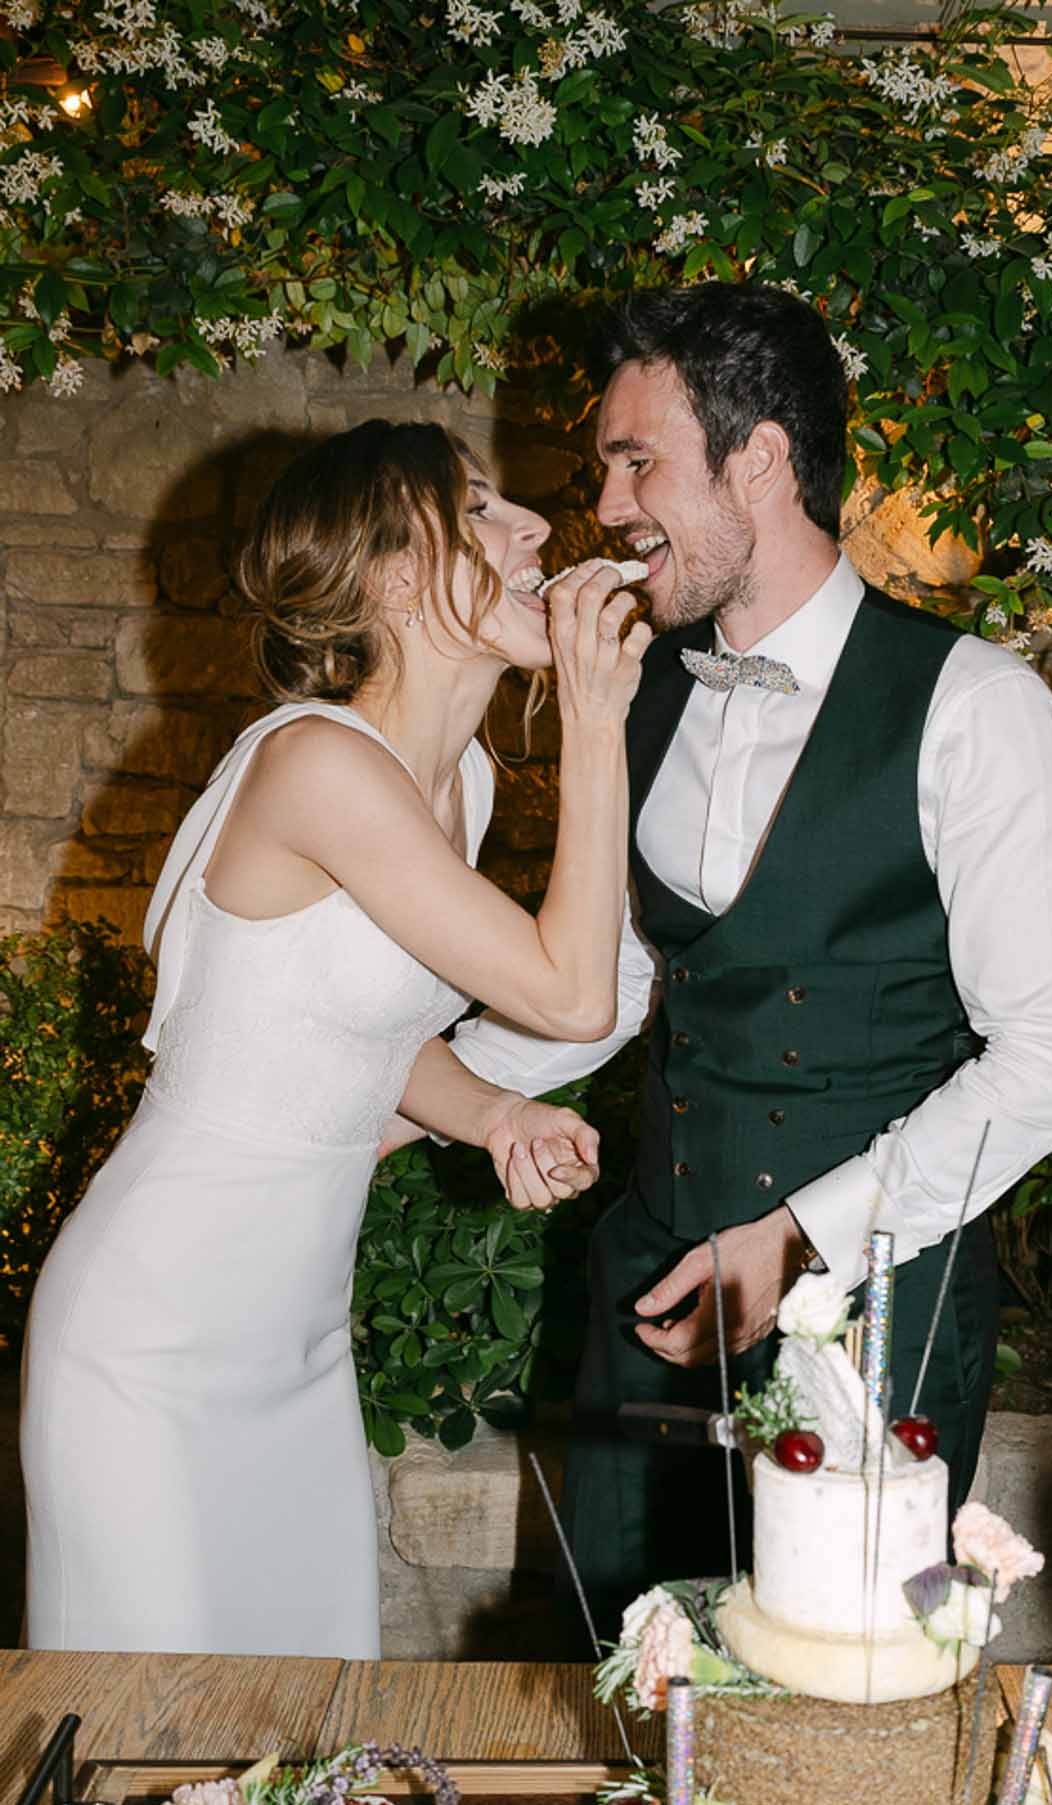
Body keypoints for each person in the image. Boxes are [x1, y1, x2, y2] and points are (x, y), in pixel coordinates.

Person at [453, 284, 1052, 1630]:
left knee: (841, 1731)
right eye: (605, 468)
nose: (607, 505)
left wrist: (807, 1238)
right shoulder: (643, 697)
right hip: (648, 1299)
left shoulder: (975, 710)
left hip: (875, 1330)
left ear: (758, 458)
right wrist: (402, 1085)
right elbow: (618, 991)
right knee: (628, 1712)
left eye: (638, 460)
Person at [20, 419, 646, 1657]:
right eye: (481, 512)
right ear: (397, 577)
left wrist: (494, 1111)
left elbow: (354, 1026)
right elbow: (572, 998)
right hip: (148, 1348)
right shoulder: (317, 764)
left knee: (311, 1737)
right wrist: (596, 715)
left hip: (297, 1349)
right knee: (153, 1748)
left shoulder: (455, 781)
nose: (533, 530)